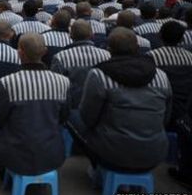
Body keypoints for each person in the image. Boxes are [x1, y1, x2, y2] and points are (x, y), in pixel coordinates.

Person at [68, 27, 171, 174]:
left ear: (109, 49)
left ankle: (97, 168)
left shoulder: (99, 75)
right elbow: (166, 116)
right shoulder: (161, 76)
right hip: (154, 153)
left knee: (72, 116)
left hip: (111, 153)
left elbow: (87, 116)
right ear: (137, 47)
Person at [0, 33, 70, 176]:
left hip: (15, 156)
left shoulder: (7, 83)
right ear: (44, 52)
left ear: (19, 52)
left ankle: (5, 168)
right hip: (52, 156)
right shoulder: (63, 82)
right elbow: (64, 117)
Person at [51, 20, 111, 109]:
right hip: (100, 109)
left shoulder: (61, 57)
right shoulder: (106, 55)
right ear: (92, 35)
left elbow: (56, 88)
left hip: (72, 110)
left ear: (70, 35)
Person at [146, 22, 192, 129]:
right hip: (185, 110)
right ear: (181, 39)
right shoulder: (190, 57)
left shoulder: (151, 57)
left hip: (159, 109)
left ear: (160, 36)